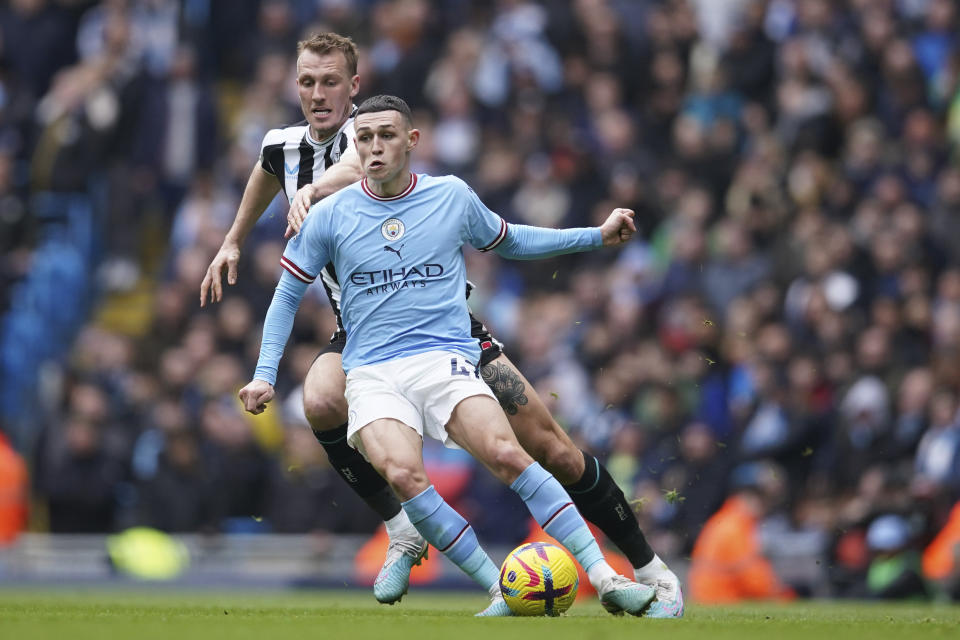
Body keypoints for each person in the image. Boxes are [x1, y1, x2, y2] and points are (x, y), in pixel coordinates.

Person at [201, 33, 682, 616]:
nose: (319, 93)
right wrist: (232, 240)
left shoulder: (375, 133)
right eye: (307, 81)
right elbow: (266, 170)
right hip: (362, 332)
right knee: (321, 400)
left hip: (449, 328)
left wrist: (313, 193)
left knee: (551, 449)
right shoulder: (284, 147)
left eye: (331, 81)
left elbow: (361, 164)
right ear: (294, 85)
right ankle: (403, 529)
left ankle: (648, 567)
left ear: (354, 90)